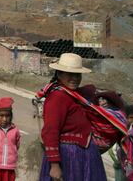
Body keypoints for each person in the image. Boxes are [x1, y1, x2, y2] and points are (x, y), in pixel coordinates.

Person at [37, 53, 107, 181]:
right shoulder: (57, 98)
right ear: (59, 74)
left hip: (82, 155)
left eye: (77, 74)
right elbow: (50, 131)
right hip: (68, 157)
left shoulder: (75, 96)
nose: (74, 78)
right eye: (70, 74)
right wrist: (54, 165)